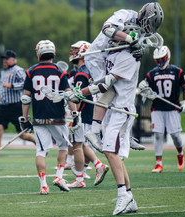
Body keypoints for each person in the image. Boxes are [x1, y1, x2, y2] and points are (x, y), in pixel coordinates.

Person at [65, 22, 144, 215]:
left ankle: (123, 196)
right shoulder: (113, 54)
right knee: (113, 154)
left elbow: (106, 85)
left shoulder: (129, 57)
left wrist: (80, 93)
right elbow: (107, 93)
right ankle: (129, 197)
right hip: (113, 107)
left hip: (122, 109)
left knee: (110, 151)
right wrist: (95, 126)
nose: (111, 40)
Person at [83, 2, 164, 153]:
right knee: (107, 91)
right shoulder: (126, 14)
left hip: (112, 57)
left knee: (125, 96)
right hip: (97, 57)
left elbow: (134, 51)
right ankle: (95, 131)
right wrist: (130, 39)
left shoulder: (139, 30)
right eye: (149, 24)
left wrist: (137, 50)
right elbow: (107, 29)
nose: (148, 29)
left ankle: (125, 134)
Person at [20, 40, 78, 195]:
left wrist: (24, 119)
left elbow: (26, 98)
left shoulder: (30, 71)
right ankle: (59, 177)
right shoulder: (60, 71)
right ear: (54, 53)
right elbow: (68, 94)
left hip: (39, 118)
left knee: (41, 150)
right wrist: (74, 113)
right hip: (58, 116)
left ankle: (43, 185)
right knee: (63, 146)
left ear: (38, 54)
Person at [138, 45, 185, 173]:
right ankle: (158, 164)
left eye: (162, 59)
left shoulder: (177, 71)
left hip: (172, 108)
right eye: (157, 60)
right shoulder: (152, 73)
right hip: (157, 109)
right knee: (158, 135)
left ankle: (180, 153)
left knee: (176, 136)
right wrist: (143, 87)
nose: (160, 62)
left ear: (168, 57)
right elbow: (144, 88)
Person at [66, 41, 109, 188]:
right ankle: (82, 175)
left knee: (79, 144)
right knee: (80, 144)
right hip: (90, 110)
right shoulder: (90, 70)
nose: (72, 52)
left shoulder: (81, 73)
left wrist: (74, 113)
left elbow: (78, 96)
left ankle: (96, 167)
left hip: (83, 111)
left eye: (75, 50)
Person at [0, 49, 35, 168]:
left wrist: (11, 86)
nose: (4, 61)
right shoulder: (3, 72)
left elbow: (26, 84)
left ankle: (39, 142)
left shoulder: (18, 70)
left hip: (15, 107)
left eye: (7, 59)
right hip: (3, 107)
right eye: (4, 59)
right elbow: (4, 89)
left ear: (13, 60)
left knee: (22, 134)